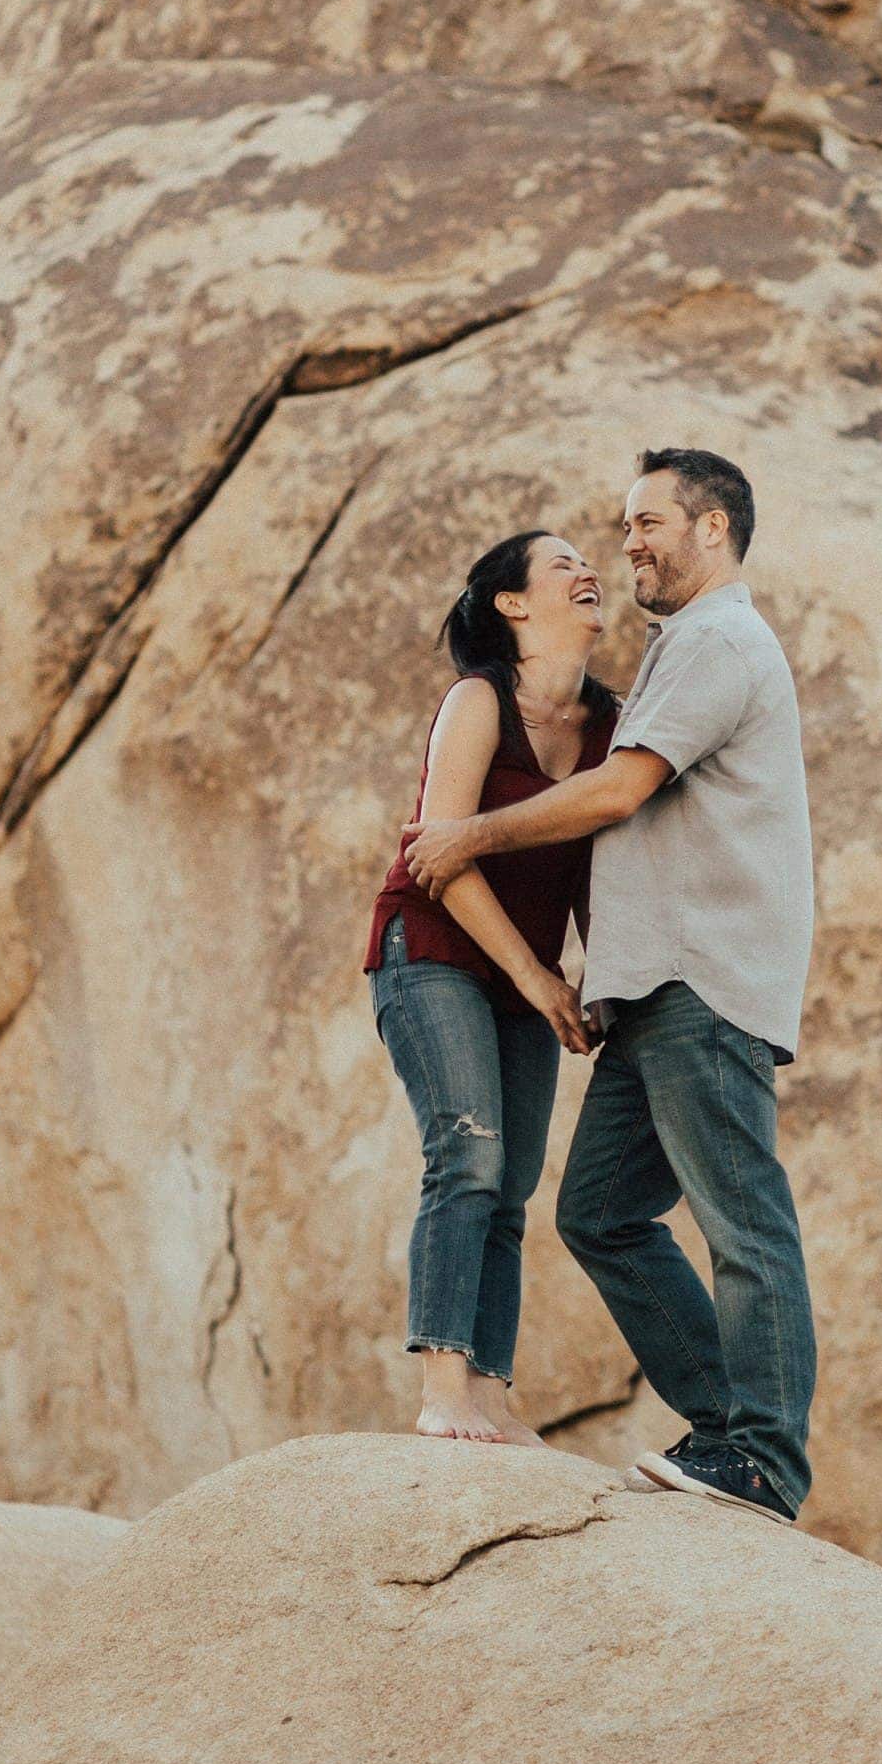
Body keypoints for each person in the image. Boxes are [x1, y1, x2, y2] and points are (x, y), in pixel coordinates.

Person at [404, 448, 817, 1520]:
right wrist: (599, 970)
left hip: (702, 977)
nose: (628, 543)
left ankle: (763, 1455)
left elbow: (619, 794)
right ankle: (726, 1428)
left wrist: (467, 837)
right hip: (649, 989)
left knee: (742, 1218)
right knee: (597, 1212)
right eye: (622, 526)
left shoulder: (719, 639)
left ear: (713, 527)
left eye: (648, 523)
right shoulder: (677, 649)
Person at [365, 529, 618, 1446]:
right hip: (432, 952)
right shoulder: (479, 701)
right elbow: (440, 857)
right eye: (562, 565)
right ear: (512, 604)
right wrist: (535, 973)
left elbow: (606, 867)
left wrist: (597, 980)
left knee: (511, 1184)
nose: (589, 571)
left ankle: (492, 1393)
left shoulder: (611, 725)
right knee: (466, 1156)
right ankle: (442, 1391)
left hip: (529, 975)